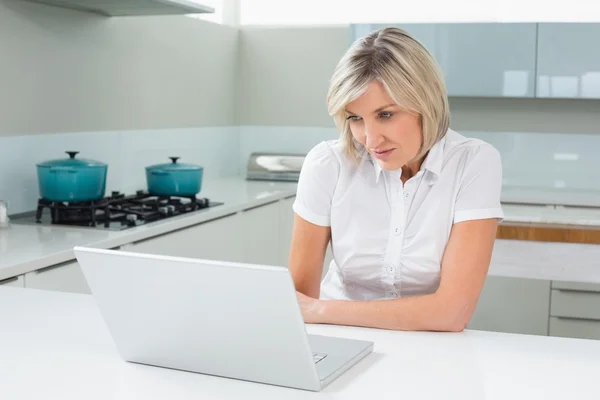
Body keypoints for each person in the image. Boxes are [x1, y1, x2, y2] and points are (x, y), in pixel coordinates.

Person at [289, 27, 503, 332]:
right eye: (355, 118)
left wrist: (322, 308)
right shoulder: (327, 164)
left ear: (425, 100)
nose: (371, 138)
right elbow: (297, 302)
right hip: (337, 336)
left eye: (386, 115)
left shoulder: (474, 162)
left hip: (430, 346)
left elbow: (452, 313)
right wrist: (316, 311)